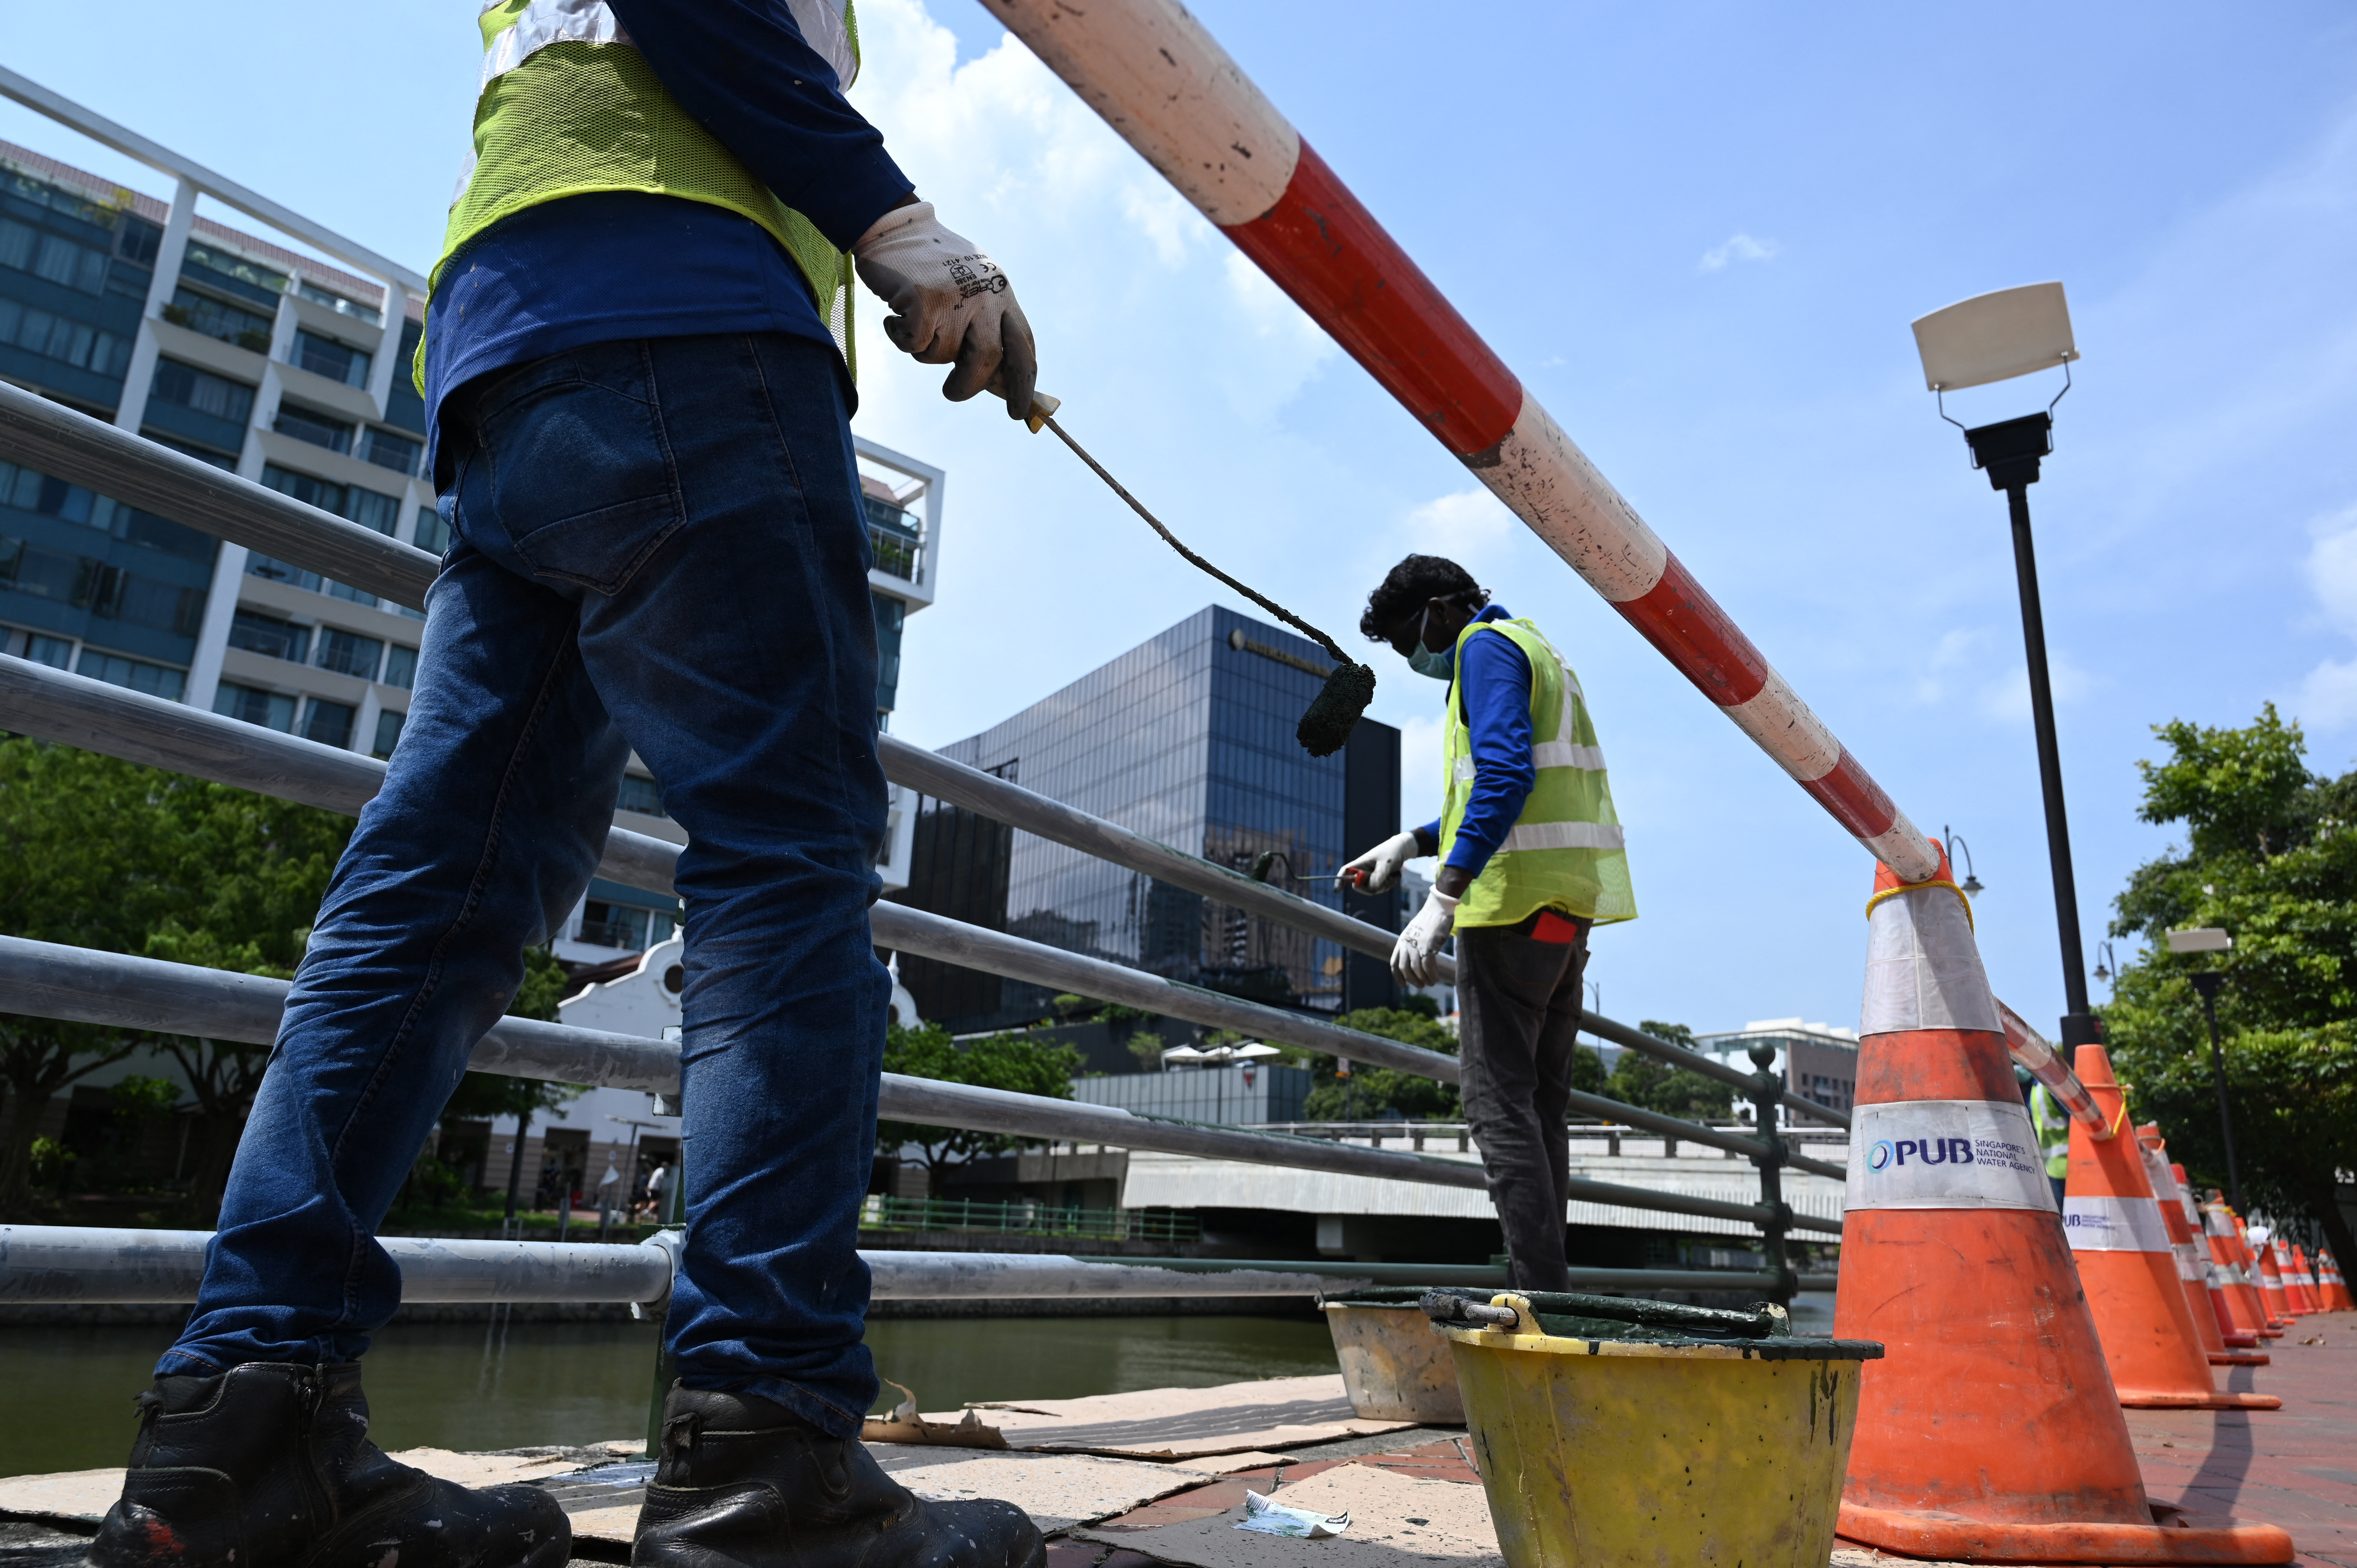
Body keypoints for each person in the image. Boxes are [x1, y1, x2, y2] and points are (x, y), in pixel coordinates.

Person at [87, 5, 1044, 1568]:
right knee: (783, 867)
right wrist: (893, 216)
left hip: (507, 360)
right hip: (688, 325)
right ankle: (763, 1459)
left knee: (440, 892)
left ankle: (240, 1435)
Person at [1341, 554, 1635, 1293]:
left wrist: (1442, 900)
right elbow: (1502, 784)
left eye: (1411, 638)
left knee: (1496, 1104)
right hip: (1565, 908)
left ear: (1441, 610)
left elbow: (1505, 775)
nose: (1416, 658)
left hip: (1508, 909)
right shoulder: (1535, 646)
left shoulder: (1481, 648)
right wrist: (1413, 839)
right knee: (1540, 1106)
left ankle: (1539, 1301)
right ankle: (1550, 1295)